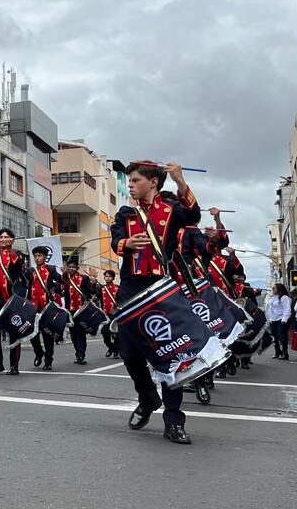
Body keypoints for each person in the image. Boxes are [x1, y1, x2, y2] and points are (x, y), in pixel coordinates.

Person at [110, 161, 200, 444]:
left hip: (162, 286)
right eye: (130, 180)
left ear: (153, 182)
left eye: (136, 180)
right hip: (131, 286)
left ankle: (173, 419)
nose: (131, 184)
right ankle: (147, 395)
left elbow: (194, 215)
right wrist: (126, 244)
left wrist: (181, 181)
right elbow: (115, 241)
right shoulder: (126, 212)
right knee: (128, 350)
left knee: (171, 353)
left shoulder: (171, 210)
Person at [0, 228, 27, 374]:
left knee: (14, 331)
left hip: (12, 299)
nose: (3, 239)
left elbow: (17, 268)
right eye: (1, 237)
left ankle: (14, 365)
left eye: (6, 237)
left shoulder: (17, 256)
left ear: (12, 240)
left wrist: (10, 250)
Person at [27, 246, 63, 371]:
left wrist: (54, 287)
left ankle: (48, 361)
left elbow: (60, 281)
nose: (37, 258)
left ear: (45, 257)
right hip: (33, 307)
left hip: (47, 307)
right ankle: (38, 353)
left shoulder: (51, 269)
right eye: (35, 256)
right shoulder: (30, 270)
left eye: (40, 256)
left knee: (48, 334)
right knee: (32, 334)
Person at [62, 258, 94, 365]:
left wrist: (93, 282)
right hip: (69, 310)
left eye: (73, 267)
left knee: (80, 333)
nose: (71, 269)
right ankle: (77, 352)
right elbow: (58, 290)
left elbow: (90, 291)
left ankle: (81, 354)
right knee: (73, 333)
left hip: (81, 310)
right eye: (69, 267)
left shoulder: (83, 278)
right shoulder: (64, 279)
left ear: (77, 268)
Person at [268, 283, 292, 361]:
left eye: (274, 288)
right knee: (274, 336)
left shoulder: (284, 298)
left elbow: (287, 309)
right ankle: (277, 352)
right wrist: (269, 318)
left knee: (282, 336)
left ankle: (285, 353)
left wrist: (284, 319)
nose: (273, 289)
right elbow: (270, 309)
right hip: (273, 319)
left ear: (279, 289)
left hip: (281, 319)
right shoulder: (273, 298)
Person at [100, 270, 120, 358]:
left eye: (109, 276)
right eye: (106, 276)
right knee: (104, 332)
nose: (107, 278)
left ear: (113, 278)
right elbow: (94, 296)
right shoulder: (101, 289)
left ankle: (116, 349)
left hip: (115, 314)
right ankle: (112, 348)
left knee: (115, 333)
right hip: (105, 315)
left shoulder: (117, 288)